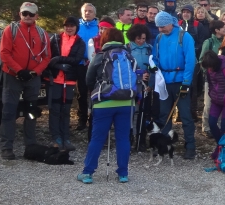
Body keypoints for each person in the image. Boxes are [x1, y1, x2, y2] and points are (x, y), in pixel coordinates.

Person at [77, 28, 137, 183]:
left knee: (97, 138)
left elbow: (88, 79)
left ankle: (88, 172)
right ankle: (123, 173)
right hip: (127, 102)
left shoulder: (100, 56)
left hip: (104, 102)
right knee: (123, 138)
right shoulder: (129, 56)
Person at [0, 2, 51, 160]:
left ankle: (31, 146)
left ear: (36, 16)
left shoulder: (42, 33)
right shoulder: (11, 30)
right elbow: (4, 53)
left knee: (31, 112)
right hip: (12, 76)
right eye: (24, 13)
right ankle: (6, 147)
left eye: (31, 14)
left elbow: (47, 57)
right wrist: (19, 70)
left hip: (33, 78)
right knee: (9, 112)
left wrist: (36, 72)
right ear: (20, 14)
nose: (27, 16)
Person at [152, 12, 197, 159]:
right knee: (164, 115)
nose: (160, 29)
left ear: (170, 23)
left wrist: (186, 83)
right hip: (164, 82)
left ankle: (190, 146)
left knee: (185, 116)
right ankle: (165, 145)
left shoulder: (184, 37)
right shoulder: (159, 38)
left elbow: (190, 61)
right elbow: (155, 57)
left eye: (162, 26)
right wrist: (153, 67)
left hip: (180, 81)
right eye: (158, 27)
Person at [48, 16, 85, 151]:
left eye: (72, 26)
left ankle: (66, 138)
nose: (69, 28)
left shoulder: (80, 42)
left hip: (69, 79)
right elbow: (49, 57)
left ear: (76, 27)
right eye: (66, 26)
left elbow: (76, 59)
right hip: (56, 79)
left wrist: (59, 59)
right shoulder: (55, 39)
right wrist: (58, 65)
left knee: (66, 110)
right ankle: (56, 138)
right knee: (55, 109)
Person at [201, 50, 225, 159]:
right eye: (207, 67)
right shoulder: (209, 71)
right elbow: (210, 84)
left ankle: (223, 150)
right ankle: (221, 146)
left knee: (224, 125)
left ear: (214, 64)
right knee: (212, 122)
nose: (209, 69)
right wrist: (211, 94)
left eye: (210, 67)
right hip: (216, 100)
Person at [126, 23, 153, 151]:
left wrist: (151, 80)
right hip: (131, 85)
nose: (141, 41)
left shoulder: (150, 49)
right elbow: (125, 69)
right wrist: (138, 76)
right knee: (131, 113)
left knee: (144, 112)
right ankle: (129, 139)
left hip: (146, 86)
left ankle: (141, 140)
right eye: (139, 38)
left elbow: (154, 66)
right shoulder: (127, 49)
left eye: (143, 38)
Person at [76, 3, 98, 130]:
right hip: (80, 64)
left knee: (95, 91)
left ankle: (94, 118)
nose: (87, 13)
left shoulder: (99, 27)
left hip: (95, 64)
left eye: (90, 11)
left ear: (94, 13)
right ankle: (82, 119)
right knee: (81, 92)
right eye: (85, 11)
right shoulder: (77, 26)